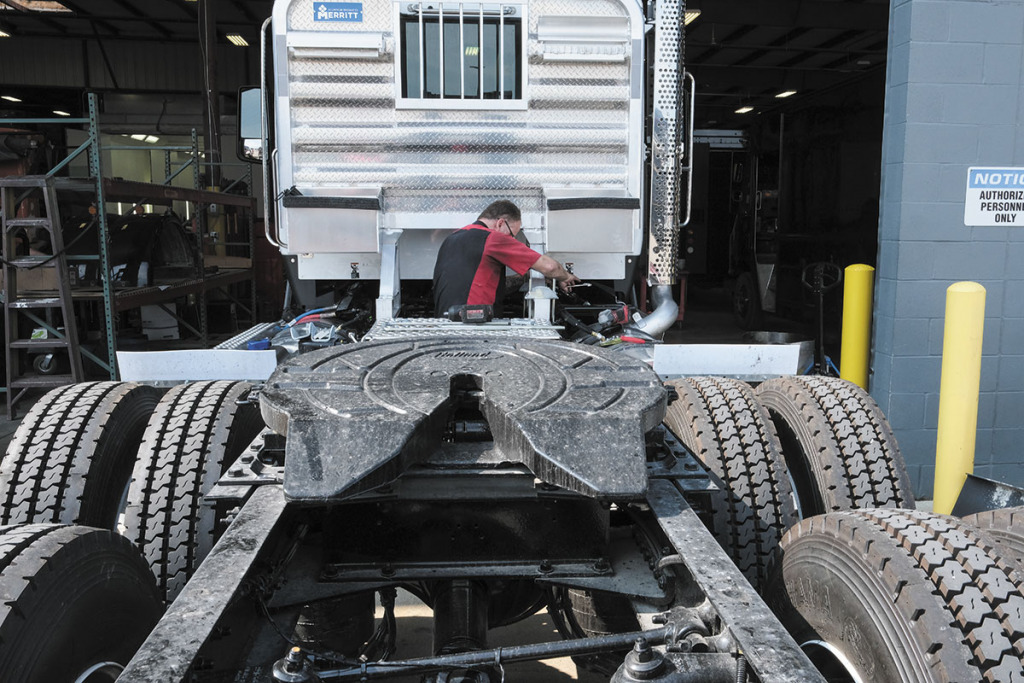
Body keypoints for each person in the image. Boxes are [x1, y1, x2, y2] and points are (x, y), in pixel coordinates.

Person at [432, 200, 581, 317]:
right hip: (474, 323)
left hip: (447, 321)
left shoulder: (452, 239)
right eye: (511, 235)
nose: (512, 240)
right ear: (500, 223)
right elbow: (550, 267)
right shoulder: (491, 238)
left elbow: (484, 284)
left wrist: (526, 277)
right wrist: (565, 276)